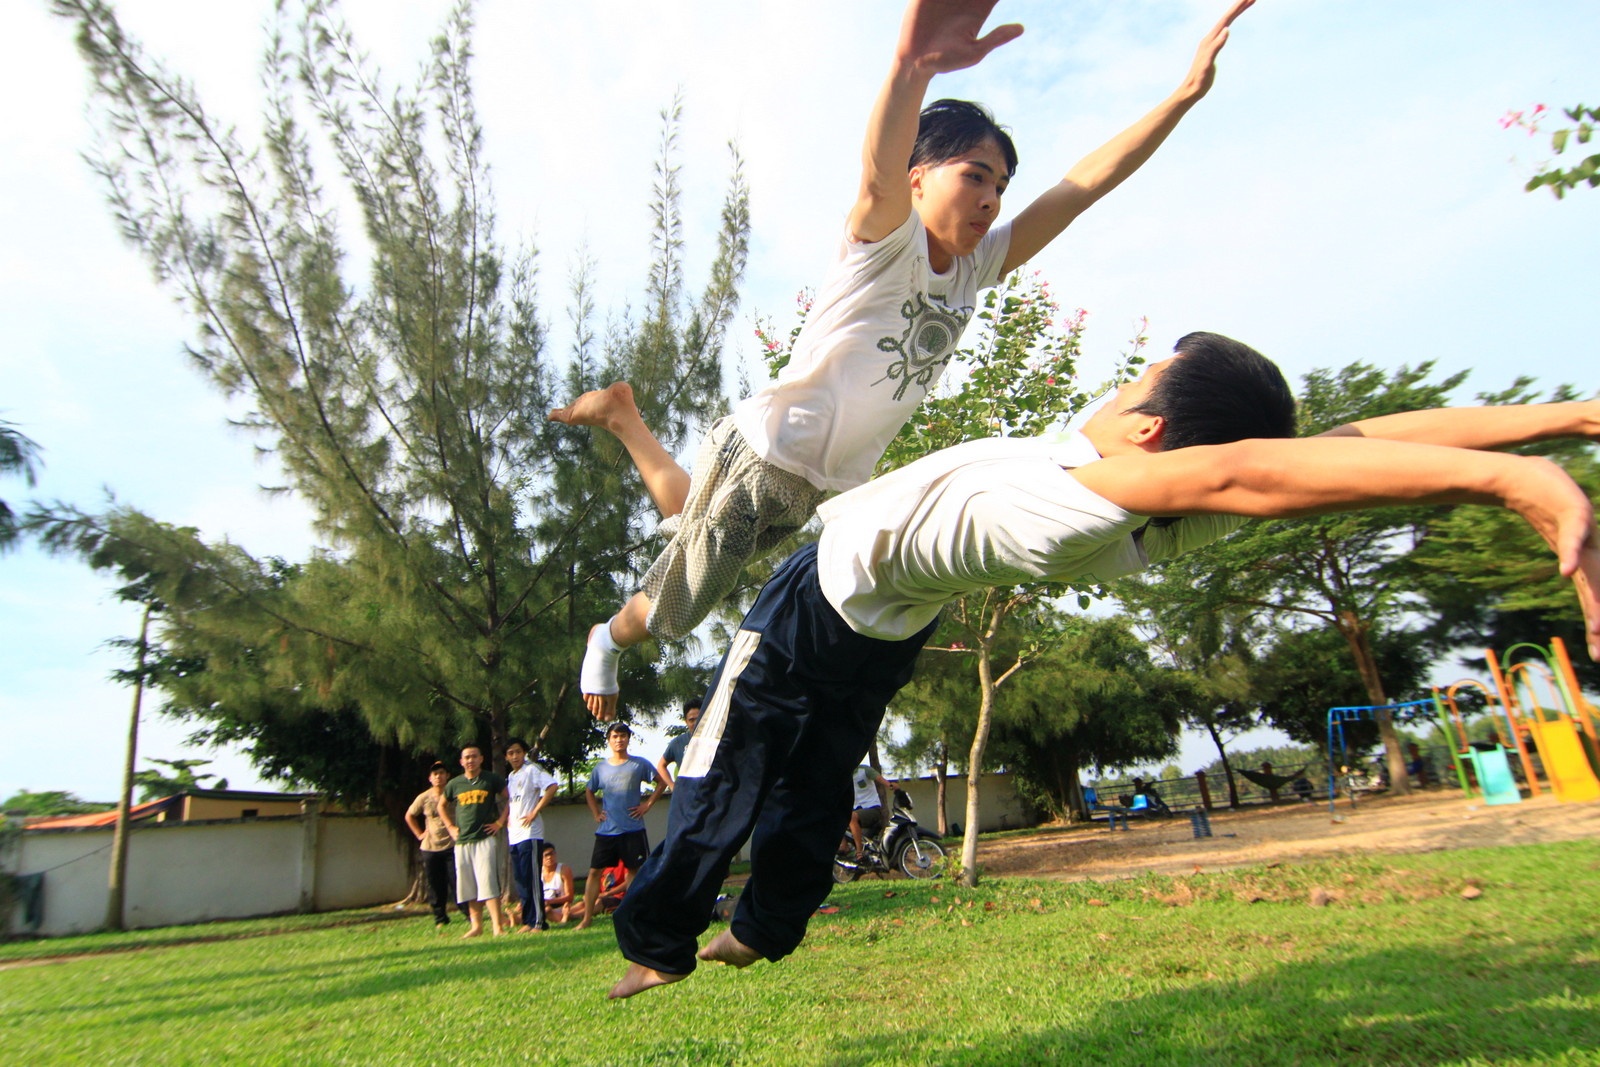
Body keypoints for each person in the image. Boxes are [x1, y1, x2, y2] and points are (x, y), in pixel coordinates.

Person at [605, 337, 1600, 997]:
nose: (1121, 384)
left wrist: (1506, 480)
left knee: (723, 762)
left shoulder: (1087, 490)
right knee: (815, 778)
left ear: (1149, 429)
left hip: (817, 599)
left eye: (1136, 380)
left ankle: (658, 941)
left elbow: (1236, 467)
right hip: (887, 626)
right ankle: (764, 927)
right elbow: (1351, 443)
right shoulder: (1151, 499)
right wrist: (1561, 418)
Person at [553, 0, 1259, 721]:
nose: (990, 199)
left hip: (815, 479)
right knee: (678, 605)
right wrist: (909, 71)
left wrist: (1179, 98)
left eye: (1001, 187)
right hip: (771, 452)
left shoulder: (976, 267)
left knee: (695, 522)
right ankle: (606, 637)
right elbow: (876, 173)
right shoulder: (884, 244)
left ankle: (624, 420)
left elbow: (1081, 188)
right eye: (975, 175)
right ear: (920, 177)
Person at [576, 722, 666, 930]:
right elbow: (590, 791)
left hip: (633, 829)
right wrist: (596, 813)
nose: (619, 740)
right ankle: (586, 919)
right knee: (594, 872)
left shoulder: (639, 764)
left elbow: (660, 782)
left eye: (623, 736)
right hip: (607, 831)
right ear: (609, 740)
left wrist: (647, 805)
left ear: (628, 739)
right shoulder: (601, 767)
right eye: (615, 736)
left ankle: (632, 915)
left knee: (634, 871)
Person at [438, 744, 510, 938]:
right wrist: (451, 827)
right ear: (461, 762)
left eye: (474, 756)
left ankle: (497, 927)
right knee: (469, 885)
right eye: (466, 757)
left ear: (481, 759)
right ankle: (476, 926)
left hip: (484, 839)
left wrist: (500, 822)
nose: (470, 760)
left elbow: (509, 799)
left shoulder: (491, 779)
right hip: (463, 842)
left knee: (488, 882)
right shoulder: (455, 784)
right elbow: (441, 806)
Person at [404, 761, 470, 930]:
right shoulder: (424, 797)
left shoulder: (455, 793)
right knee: (435, 884)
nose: (438, 776)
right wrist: (419, 834)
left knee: (457, 882)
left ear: (447, 776)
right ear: (430, 778)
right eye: (435, 774)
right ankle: (440, 917)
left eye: (441, 773)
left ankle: (468, 914)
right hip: (430, 847)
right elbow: (410, 815)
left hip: (453, 845)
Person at [505, 737, 559, 933]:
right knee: (521, 879)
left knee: (532, 877)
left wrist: (535, 811)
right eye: (510, 753)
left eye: (518, 752)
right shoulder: (511, 776)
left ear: (524, 753)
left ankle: (538, 921)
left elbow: (552, 786)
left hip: (530, 833)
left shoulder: (532, 770)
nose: (515, 756)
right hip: (515, 834)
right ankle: (528, 920)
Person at [848, 764, 898, 860]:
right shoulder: (843, 775)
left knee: (851, 817)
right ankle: (844, 847)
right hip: (855, 810)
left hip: (871, 808)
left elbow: (878, 778)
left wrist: (889, 785)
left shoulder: (864, 770)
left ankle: (859, 850)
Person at [655, 697, 703, 792]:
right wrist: (672, 786)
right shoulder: (678, 743)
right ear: (686, 721)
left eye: (698, 719)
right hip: (687, 797)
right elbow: (661, 766)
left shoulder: (715, 740)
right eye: (691, 720)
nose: (695, 723)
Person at [541, 845, 581, 925]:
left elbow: (570, 897)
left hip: (560, 906)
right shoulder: (537, 873)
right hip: (543, 906)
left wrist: (550, 901)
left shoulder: (564, 870)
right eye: (546, 855)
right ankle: (513, 920)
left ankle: (565, 916)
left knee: (581, 905)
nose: (549, 857)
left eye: (551, 854)